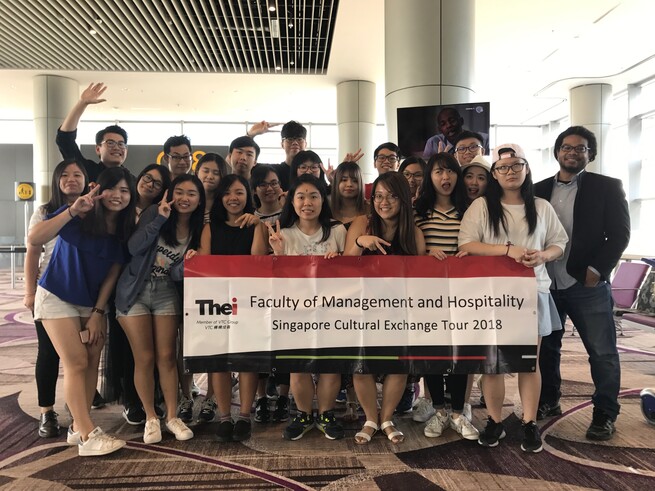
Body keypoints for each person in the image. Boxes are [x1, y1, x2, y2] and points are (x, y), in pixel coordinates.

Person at [459, 143, 568, 453]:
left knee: (528, 363)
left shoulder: (542, 206)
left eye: (516, 165)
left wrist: (544, 254)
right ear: (494, 174)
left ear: (527, 168)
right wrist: (507, 250)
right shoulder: (481, 207)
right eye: (503, 168)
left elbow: (559, 242)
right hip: (491, 295)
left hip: (532, 293)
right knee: (492, 362)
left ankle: (529, 421)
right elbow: (466, 244)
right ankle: (495, 420)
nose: (510, 172)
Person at [28, 167, 136, 456]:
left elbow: (113, 272)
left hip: (90, 302)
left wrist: (99, 311)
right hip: (56, 295)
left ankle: (78, 426)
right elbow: (36, 238)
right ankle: (89, 435)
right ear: (98, 188)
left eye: (125, 191)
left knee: (90, 360)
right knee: (75, 361)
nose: (117, 196)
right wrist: (71, 211)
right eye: (112, 188)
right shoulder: (79, 214)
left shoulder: (125, 228)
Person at [536, 126, 630, 441]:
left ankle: (605, 412)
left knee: (601, 351)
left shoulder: (607, 187)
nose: (573, 152)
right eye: (567, 147)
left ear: (590, 154)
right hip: (546, 284)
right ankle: (548, 400)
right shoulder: (537, 189)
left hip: (586, 285)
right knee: (546, 349)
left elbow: (619, 234)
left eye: (581, 148)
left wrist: (598, 268)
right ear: (557, 151)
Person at [115, 174, 205, 444]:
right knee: (144, 357)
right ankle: (152, 417)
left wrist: (187, 264)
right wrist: (160, 219)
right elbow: (134, 248)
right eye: (180, 192)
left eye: (191, 193)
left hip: (165, 290)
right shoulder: (157, 212)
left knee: (167, 356)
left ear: (199, 200)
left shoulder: (198, 228)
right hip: (135, 291)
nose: (184, 198)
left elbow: (175, 273)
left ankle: (172, 416)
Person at [344, 172, 426, 444]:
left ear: (404, 199)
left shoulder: (412, 232)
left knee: (398, 366)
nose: (384, 202)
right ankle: (370, 418)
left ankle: (387, 418)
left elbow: (422, 276)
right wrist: (360, 242)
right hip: (362, 308)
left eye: (391, 196)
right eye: (378, 196)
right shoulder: (362, 223)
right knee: (362, 365)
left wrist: (434, 259)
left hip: (399, 311)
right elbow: (344, 265)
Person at [265, 174, 346, 441]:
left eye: (313, 196)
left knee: (330, 366)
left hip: (332, 311)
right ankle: (303, 414)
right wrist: (278, 254)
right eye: (301, 196)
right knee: (298, 366)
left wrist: (339, 261)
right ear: (292, 201)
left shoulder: (337, 231)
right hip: (294, 312)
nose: (307, 202)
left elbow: (353, 273)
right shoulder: (284, 234)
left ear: (323, 200)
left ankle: (325, 413)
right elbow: (276, 280)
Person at [189, 175, 267, 442]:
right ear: (221, 197)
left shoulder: (257, 226)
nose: (233, 198)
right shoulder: (210, 227)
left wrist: (258, 226)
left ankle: (244, 415)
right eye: (228, 193)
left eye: (239, 192)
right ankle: (224, 416)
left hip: (248, 301)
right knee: (218, 361)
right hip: (216, 302)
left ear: (248, 196)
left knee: (247, 361)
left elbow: (257, 262)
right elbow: (206, 264)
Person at [412, 153, 479, 442]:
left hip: (463, 294)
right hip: (428, 295)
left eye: (451, 172)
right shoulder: (419, 210)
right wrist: (426, 255)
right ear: (430, 177)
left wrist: (469, 253)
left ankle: (457, 413)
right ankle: (439, 410)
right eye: (439, 172)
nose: (445, 178)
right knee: (434, 354)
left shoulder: (470, 210)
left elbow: (479, 243)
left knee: (460, 353)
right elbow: (410, 249)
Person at [24, 159, 88, 438]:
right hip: (50, 291)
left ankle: (76, 408)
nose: (71, 179)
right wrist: (29, 291)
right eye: (65, 175)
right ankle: (46, 411)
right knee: (49, 353)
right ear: (56, 180)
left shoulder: (94, 211)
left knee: (81, 357)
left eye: (77, 174)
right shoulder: (45, 212)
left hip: (83, 291)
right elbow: (33, 249)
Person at [56, 82, 128, 183]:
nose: (117, 147)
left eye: (121, 144)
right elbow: (65, 140)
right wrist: (82, 103)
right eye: (110, 143)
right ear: (98, 149)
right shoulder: (86, 170)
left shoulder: (132, 180)